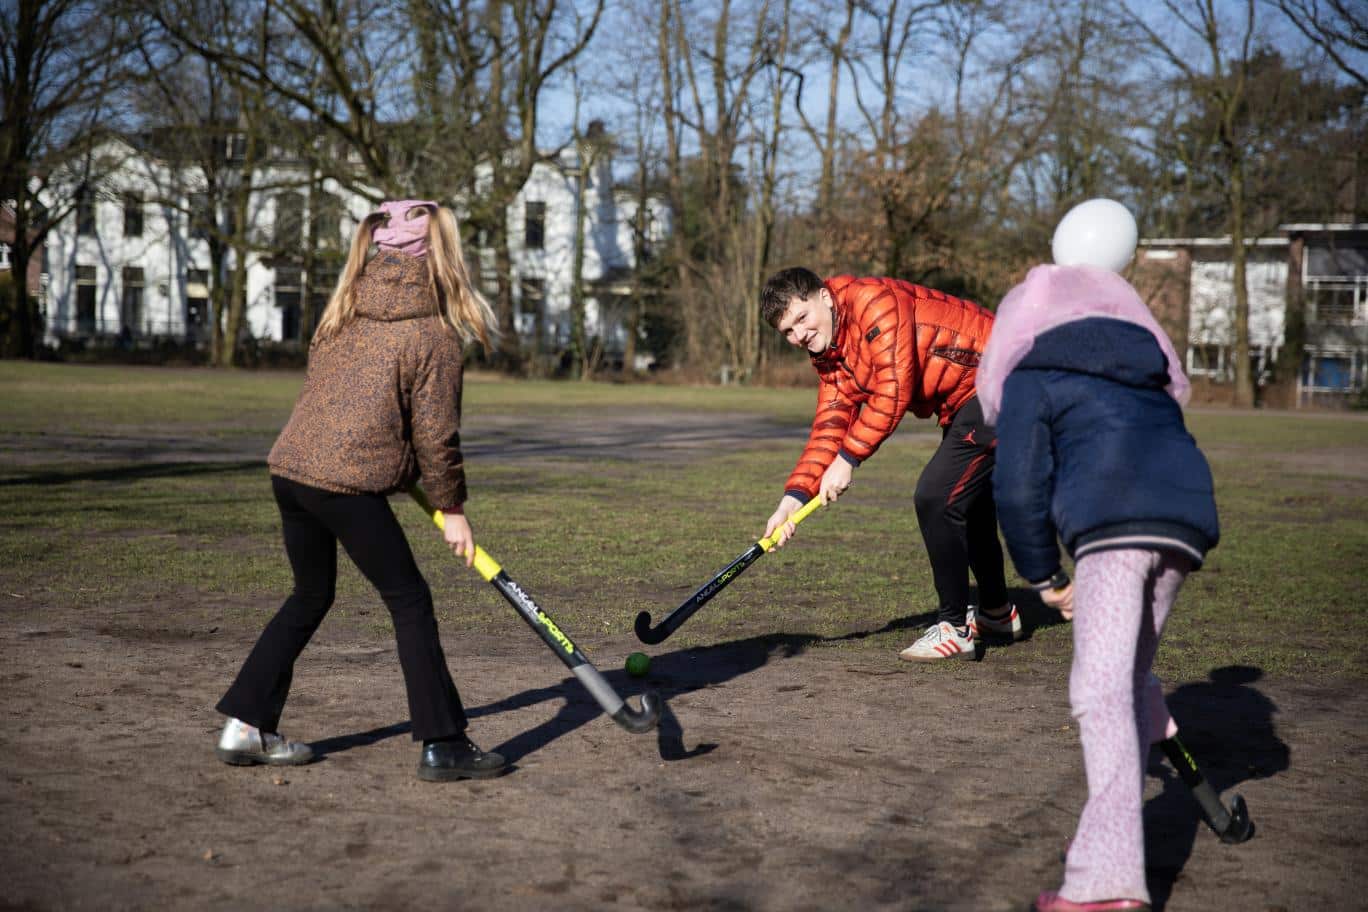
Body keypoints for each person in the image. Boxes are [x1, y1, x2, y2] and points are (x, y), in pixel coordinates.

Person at [979, 198, 1220, 912]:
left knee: (1097, 694)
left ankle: (1108, 885)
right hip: (1185, 522)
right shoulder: (1136, 358)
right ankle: (1107, 825)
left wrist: (1045, 577)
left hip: (1114, 531)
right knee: (1126, 680)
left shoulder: (1033, 368)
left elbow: (1016, 485)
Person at [214, 200, 508, 782]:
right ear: (446, 256)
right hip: (341, 483)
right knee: (409, 601)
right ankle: (444, 743)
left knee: (310, 595)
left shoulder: (345, 309)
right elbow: (435, 434)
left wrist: (392, 470)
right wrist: (452, 508)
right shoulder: (433, 335)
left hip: (292, 472)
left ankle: (245, 726)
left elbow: (348, 410)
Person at [759, 267, 1023, 661]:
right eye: (788, 331)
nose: (800, 335)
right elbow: (829, 426)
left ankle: (953, 628)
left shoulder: (874, 303)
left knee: (935, 497)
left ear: (825, 297)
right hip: (967, 397)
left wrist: (849, 459)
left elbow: (893, 389)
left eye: (802, 318)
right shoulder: (831, 354)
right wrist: (792, 500)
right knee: (967, 501)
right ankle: (997, 612)